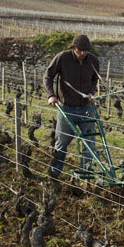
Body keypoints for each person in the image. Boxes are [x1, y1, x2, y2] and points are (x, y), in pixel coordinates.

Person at [43, 34, 100, 178]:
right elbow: (48, 76)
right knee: (61, 143)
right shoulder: (62, 58)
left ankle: (86, 173)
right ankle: (55, 172)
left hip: (86, 108)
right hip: (66, 108)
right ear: (73, 47)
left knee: (89, 142)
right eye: (80, 50)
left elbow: (94, 79)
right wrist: (51, 95)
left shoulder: (93, 61)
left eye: (86, 51)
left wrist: (92, 92)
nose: (83, 53)